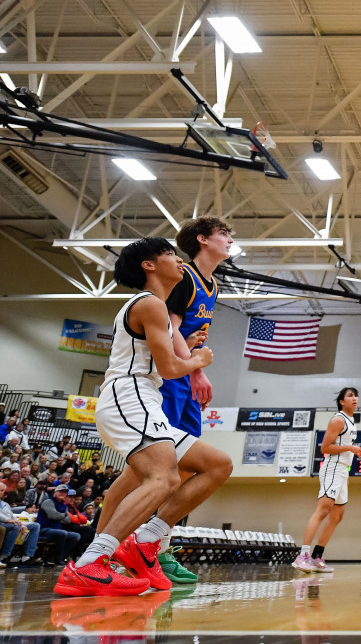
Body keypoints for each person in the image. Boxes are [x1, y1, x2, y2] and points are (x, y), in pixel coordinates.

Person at [56, 237, 233, 598]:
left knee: (217, 464)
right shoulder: (150, 304)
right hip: (129, 394)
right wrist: (198, 361)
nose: (179, 260)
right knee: (163, 477)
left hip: (143, 398)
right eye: (170, 254)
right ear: (149, 265)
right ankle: (91, 562)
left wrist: (190, 351)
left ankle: (145, 540)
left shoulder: (160, 309)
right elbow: (169, 369)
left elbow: (166, 363)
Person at [160, 217, 235, 584]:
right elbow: (171, 326)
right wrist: (192, 368)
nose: (230, 240)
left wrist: (196, 369)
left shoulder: (213, 284)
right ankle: (127, 547)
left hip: (186, 376)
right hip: (169, 377)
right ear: (203, 240)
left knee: (186, 469)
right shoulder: (184, 276)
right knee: (162, 466)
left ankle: (159, 544)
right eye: (224, 234)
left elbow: (195, 335)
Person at [294, 388, 361, 574]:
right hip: (333, 467)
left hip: (343, 471)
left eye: (356, 395)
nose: (354, 398)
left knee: (337, 515)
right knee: (323, 510)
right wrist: (350, 447)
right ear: (341, 401)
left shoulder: (351, 421)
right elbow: (325, 447)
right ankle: (303, 556)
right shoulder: (338, 419)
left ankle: (317, 556)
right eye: (350, 396)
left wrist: (347, 475)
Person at [37, 485, 82, 566]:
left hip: (56, 530)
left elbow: (68, 520)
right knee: (62, 533)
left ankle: (55, 557)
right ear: (55, 492)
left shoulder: (64, 505)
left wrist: (59, 516)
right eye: (60, 491)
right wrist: (63, 515)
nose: (63, 493)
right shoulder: (48, 502)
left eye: (65, 492)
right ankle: (58, 559)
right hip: (44, 529)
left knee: (76, 536)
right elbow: (53, 515)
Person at [0, 496, 39, 565]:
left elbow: (11, 515)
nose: (0, 492)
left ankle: (27, 556)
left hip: (10, 523)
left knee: (35, 526)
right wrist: (9, 520)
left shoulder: (5, 504)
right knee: (15, 527)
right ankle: (4, 556)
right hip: (2, 523)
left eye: (2, 490)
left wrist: (21, 524)